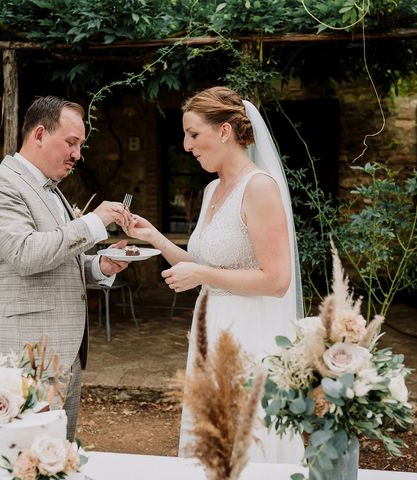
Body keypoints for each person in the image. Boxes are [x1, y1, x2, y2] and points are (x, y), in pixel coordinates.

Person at [126, 86, 304, 462]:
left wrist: (202, 273)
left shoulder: (259, 188)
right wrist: (154, 237)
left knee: (244, 434)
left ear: (224, 131)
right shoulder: (212, 189)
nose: (187, 146)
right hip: (211, 327)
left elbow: (277, 280)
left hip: (248, 333)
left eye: (194, 134)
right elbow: (201, 264)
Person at [0, 95, 132, 441]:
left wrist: (100, 266)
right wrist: (92, 223)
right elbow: (25, 253)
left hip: (65, 353)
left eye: (80, 145)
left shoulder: (52, 190)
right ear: (39, 134)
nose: (77, 154)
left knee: (58, 458)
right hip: (23, 357)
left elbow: (57, 262)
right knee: (21, 462)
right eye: (71, 143)